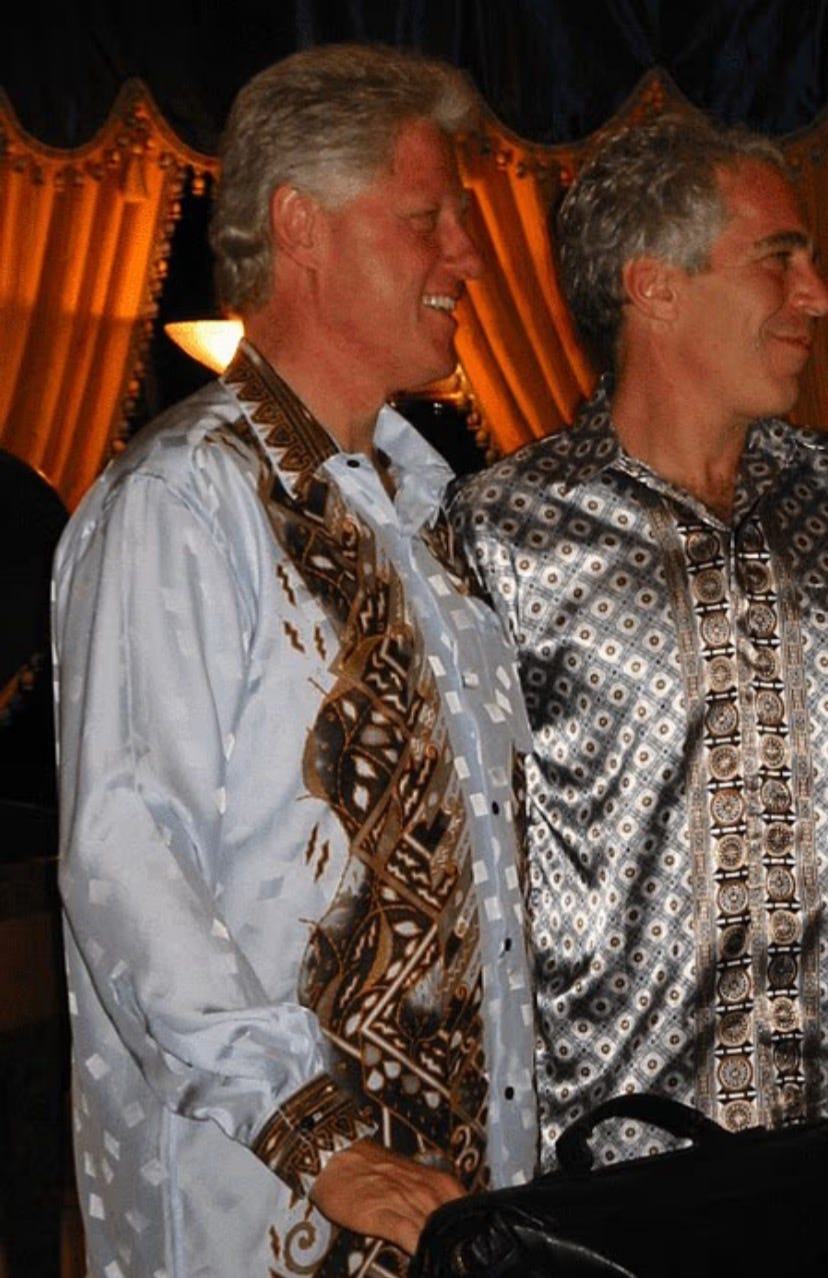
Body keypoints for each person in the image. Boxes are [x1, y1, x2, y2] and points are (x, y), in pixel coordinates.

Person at [450, 115, 828, 1204]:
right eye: (779, 257)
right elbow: (462, 862)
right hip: (612, 1160)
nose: (816, 295)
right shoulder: (500, 533)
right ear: (653, 287)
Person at [53, 43, 536, 1278]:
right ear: (299, 228)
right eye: (426, 219)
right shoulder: (180, 500)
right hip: (270, 1198)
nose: (466, 259)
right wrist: (316, 1139)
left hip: (451, 1190)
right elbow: (126, 851)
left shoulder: (424, 509)